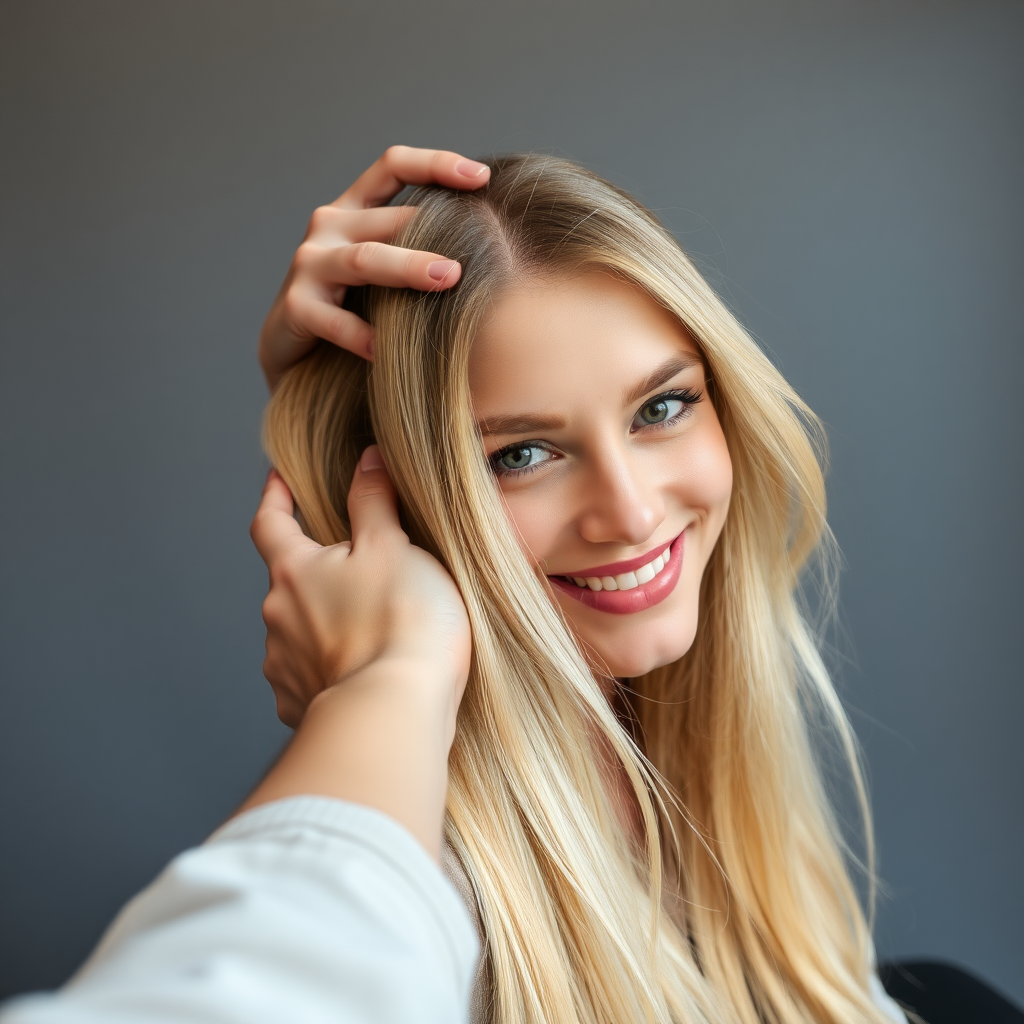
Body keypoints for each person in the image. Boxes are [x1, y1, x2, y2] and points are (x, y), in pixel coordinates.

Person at [0, 147, 909, 1024]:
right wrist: (386, 676)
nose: (630, 514)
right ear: (391, 498)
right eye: (519, 455)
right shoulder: (442, 882)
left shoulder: (697, 745)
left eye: (661, 407)